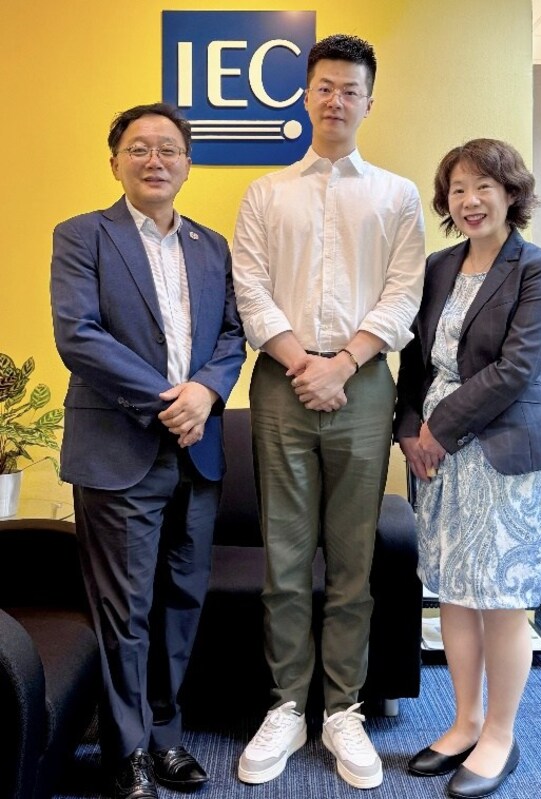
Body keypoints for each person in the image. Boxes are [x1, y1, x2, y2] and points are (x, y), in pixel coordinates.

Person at [232, 34, 425, 790]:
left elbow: (403, 292)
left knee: (353, 557)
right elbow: (250, 285)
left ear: (369, 102)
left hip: (365, 381)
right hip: (282, 379)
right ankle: (287, 703)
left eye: (351, 89)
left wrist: (343, 363)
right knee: (284, 554)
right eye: (324, 86)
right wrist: (302, 362)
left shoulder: (396, 194)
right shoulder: (264, 192)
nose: (336, 99)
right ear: (305, 94)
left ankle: (342, 706)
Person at [50, 103, 246, 799]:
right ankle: (124, 751)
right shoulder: (82, 237)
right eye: (139, 148)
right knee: (125, 606)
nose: (155, 159)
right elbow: (80, 335)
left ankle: (165, 737)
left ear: (188, 164)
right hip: (120, 445)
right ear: (115, 162)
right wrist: (175, 397)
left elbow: (231, 335)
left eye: (168, 148)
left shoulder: (210, 246)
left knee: (182, 600)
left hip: (196, 451)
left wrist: (207, 392)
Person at [394, 138, 541, 799]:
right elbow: (412, 361)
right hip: (436, 454)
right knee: (457, 593)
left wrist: (439, 428)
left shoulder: (538, 270)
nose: (470, 201)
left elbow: (516, 368)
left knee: (502, 596)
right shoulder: (438, 267)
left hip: (503, 449)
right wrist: (411, 430)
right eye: (458, 189)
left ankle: (500, 730)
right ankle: (464, 719)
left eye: (484, 187)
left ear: (511, 193)